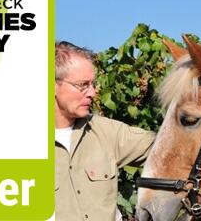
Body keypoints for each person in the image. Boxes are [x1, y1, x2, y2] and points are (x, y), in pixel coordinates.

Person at [54, 41, 156, 220]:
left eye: (92, 84)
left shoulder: (106, 132)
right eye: (83, 85)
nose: (93, 92)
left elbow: (167, 146)